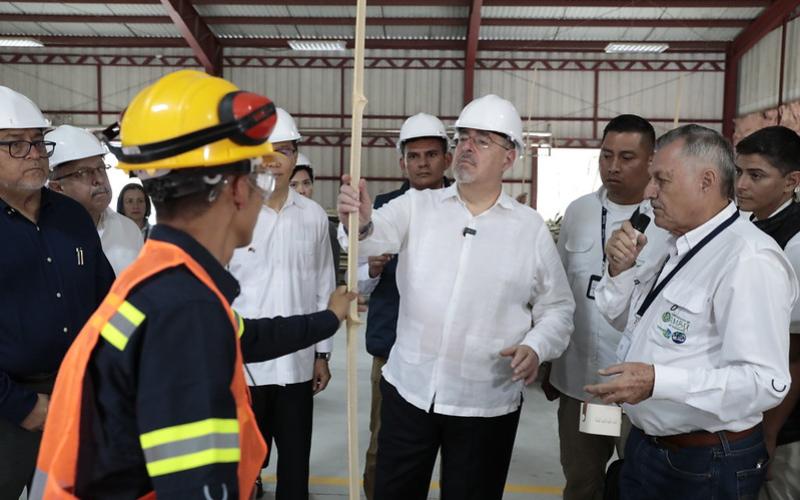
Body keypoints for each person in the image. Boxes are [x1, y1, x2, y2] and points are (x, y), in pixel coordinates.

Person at [31, 69, 355, 498]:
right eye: (260, 177)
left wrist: (328, 319)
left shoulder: (165, 281)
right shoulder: (185, 312)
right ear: (237, 189)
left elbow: (250, 336)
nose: (264, 194)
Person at [338, 94, 575, 500]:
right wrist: (359, 224)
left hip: (485, 401)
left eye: (483, 141)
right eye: (463, 137)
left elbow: (558, 309)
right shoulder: (416, 205)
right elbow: (371, 233)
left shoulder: (529, 229)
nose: (466, 146)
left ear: (510, 156)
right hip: (410, 391)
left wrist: (537, 346)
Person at [585, 124, 797, 500]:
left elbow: (765, 382)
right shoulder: (674, 243)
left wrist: (657, 381)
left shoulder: (747, 260)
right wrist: (620, 272)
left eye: (661, 180)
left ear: (707, 181)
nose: (650, 192)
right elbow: (634, 324)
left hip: (704, 460)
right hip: (650, 446)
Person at [0, 86, 115, 499]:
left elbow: (108, 303)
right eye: (16, 144)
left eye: (38, 142)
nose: (34, 154)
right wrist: (23, 406)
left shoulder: (70, 216)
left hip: (77, 397)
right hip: (8, 405)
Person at [550, 114, 669, 500]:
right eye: (606, 156)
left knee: (639, 483)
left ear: (652, 161)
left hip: (639, 389)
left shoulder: (669, 222)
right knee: (581, 482)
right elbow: (559, 289)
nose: (613, 167)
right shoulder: (578, 211)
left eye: (627, 157)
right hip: (579, 383)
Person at [229, 108, 336, 500]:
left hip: (297, 362)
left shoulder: (312, 216)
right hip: (246, 364)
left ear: (297, 157)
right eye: (267, 150)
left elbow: (324, 284)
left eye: (285, 151)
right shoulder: (235, 212)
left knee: (295, 464)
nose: (275, 160)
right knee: (244, 466)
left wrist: (322, 354)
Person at [356, 112, 452, 500]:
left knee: (454, 452)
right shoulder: (382, 210)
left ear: (447, 159)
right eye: (414, 156)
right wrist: (373, 268)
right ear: (403, 163)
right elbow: (361, 285)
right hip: (392, 348)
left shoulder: (467, 207)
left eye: (431, 154)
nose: (423, 163)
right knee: (384, 444)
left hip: (451, 354)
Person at [734, 126, 800, 500]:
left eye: (756, 175)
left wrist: (771, 432)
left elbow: (794, 353)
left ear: (792, 181)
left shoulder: (794, 240)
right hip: (750, 412)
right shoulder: (749, 223)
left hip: (784, 423)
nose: (741, 184)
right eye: (739, 171)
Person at [47, 124, 144, 275]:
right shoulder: (45, 236)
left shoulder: (128, 230)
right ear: (57, 187)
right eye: (83, 172)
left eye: (101, 168)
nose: (99, 179)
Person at [289, 154, 343, 284]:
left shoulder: (325, 227)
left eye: (306, 183)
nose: (301, 190)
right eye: (293, 185)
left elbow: (330, 278)